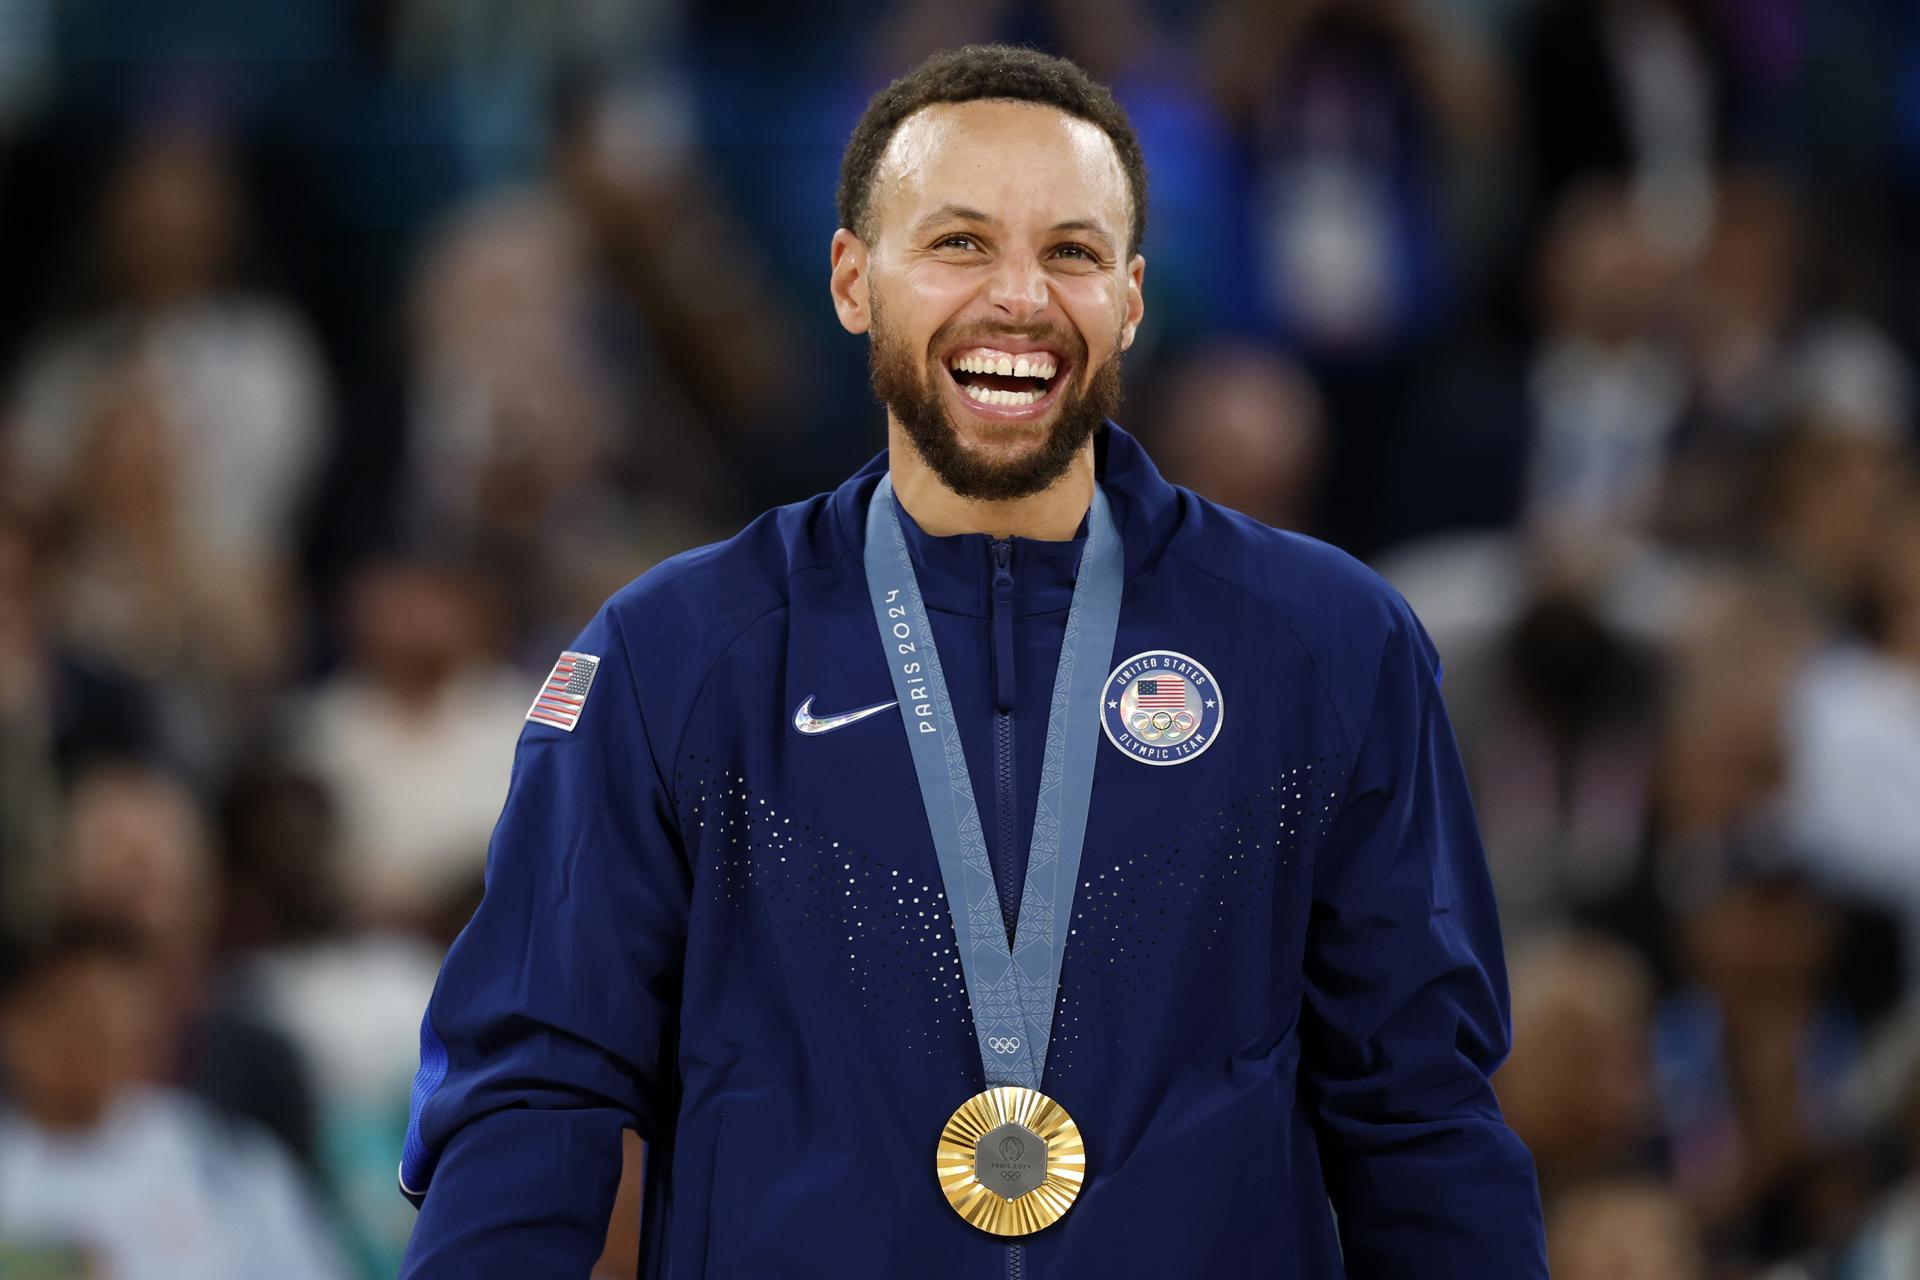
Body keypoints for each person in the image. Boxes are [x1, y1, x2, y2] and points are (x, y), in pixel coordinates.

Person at [399, 45, 1546, 1277]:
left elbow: (1421, 1113)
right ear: (853, 280)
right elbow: (533, 1094)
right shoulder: (676, 656)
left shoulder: (1324, 643)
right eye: (957, 244)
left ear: (1134, 297)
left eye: (1071, 251)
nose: (1019, 298)